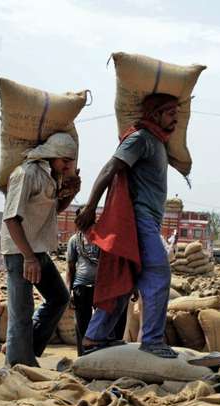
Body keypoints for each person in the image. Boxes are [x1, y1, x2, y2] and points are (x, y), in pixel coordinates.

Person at [76, 93, 180, 358]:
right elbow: (110, 168)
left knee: (126, 279)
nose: (176, 118)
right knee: (159, 274)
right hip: (138, 219)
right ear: (155, 115)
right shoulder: (141, 138)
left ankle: (95, 337)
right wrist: (90, 207)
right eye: (170, 113)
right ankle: (153, 340)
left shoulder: (158, 142)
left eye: (177, 112)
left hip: (148, 222)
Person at [0, 133, 80, 366]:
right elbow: (11, 219)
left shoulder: (51, 177)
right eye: (64, 160)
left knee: (59, 297)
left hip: (38, 250)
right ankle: (17, 365)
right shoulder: (26, 174)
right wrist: (28, 258)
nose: (68, 165)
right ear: (51, 155)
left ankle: (27, 350)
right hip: (20, 252)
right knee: (21, 311)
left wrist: (71, 193)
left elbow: (52, 211)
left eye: (70, 161)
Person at [67, 206, 126, 356]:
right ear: (78, 220)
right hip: (82, 286)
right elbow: (70, 267)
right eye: (83, 217)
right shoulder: (75, 240)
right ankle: (83, 358)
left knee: (111, 320)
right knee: (82, 325)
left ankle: (108, 356)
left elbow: (116, 263)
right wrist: (70, 291)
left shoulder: (104, 237)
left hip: (104, 287)